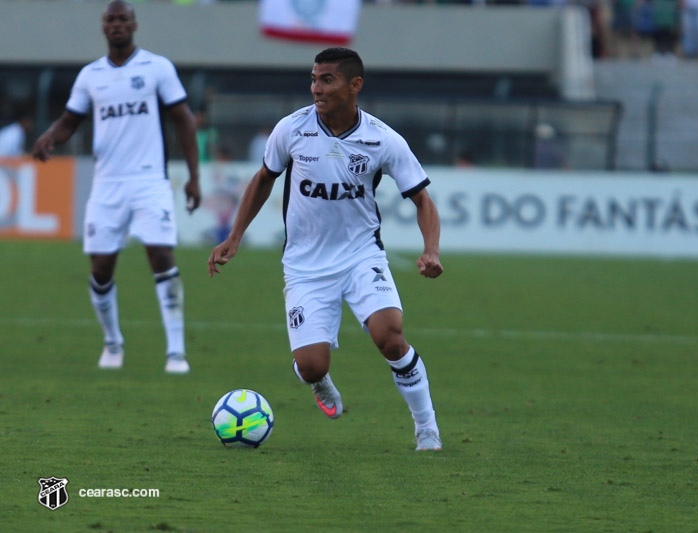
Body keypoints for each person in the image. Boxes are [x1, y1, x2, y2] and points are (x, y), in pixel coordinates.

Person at [208, 47, 444, 451]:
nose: (316, 88)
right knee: (312, 364)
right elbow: (264, 179)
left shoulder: (382, 138)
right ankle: (318, 381)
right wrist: (235, 235)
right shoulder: (292, 129)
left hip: (360, 257)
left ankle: (426, 428)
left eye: (327, 79)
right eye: (314, 79)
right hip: (304, 266)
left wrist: (431, 250)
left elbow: (422, 199)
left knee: (391, 336)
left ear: (355, 86)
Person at [32, 0, 201, 374]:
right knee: (102, 268)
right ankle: (112, 343)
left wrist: (193, 176)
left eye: (123, 18)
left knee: (161, 256)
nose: (117, 24)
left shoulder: (157, 68)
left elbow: (184, 121)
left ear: (134, 24)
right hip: (107, 185)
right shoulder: (91, 75)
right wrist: (49, 136)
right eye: (111, 19)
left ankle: (176, 351)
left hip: (149, 181)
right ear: (103, 27)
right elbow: (69, 120)